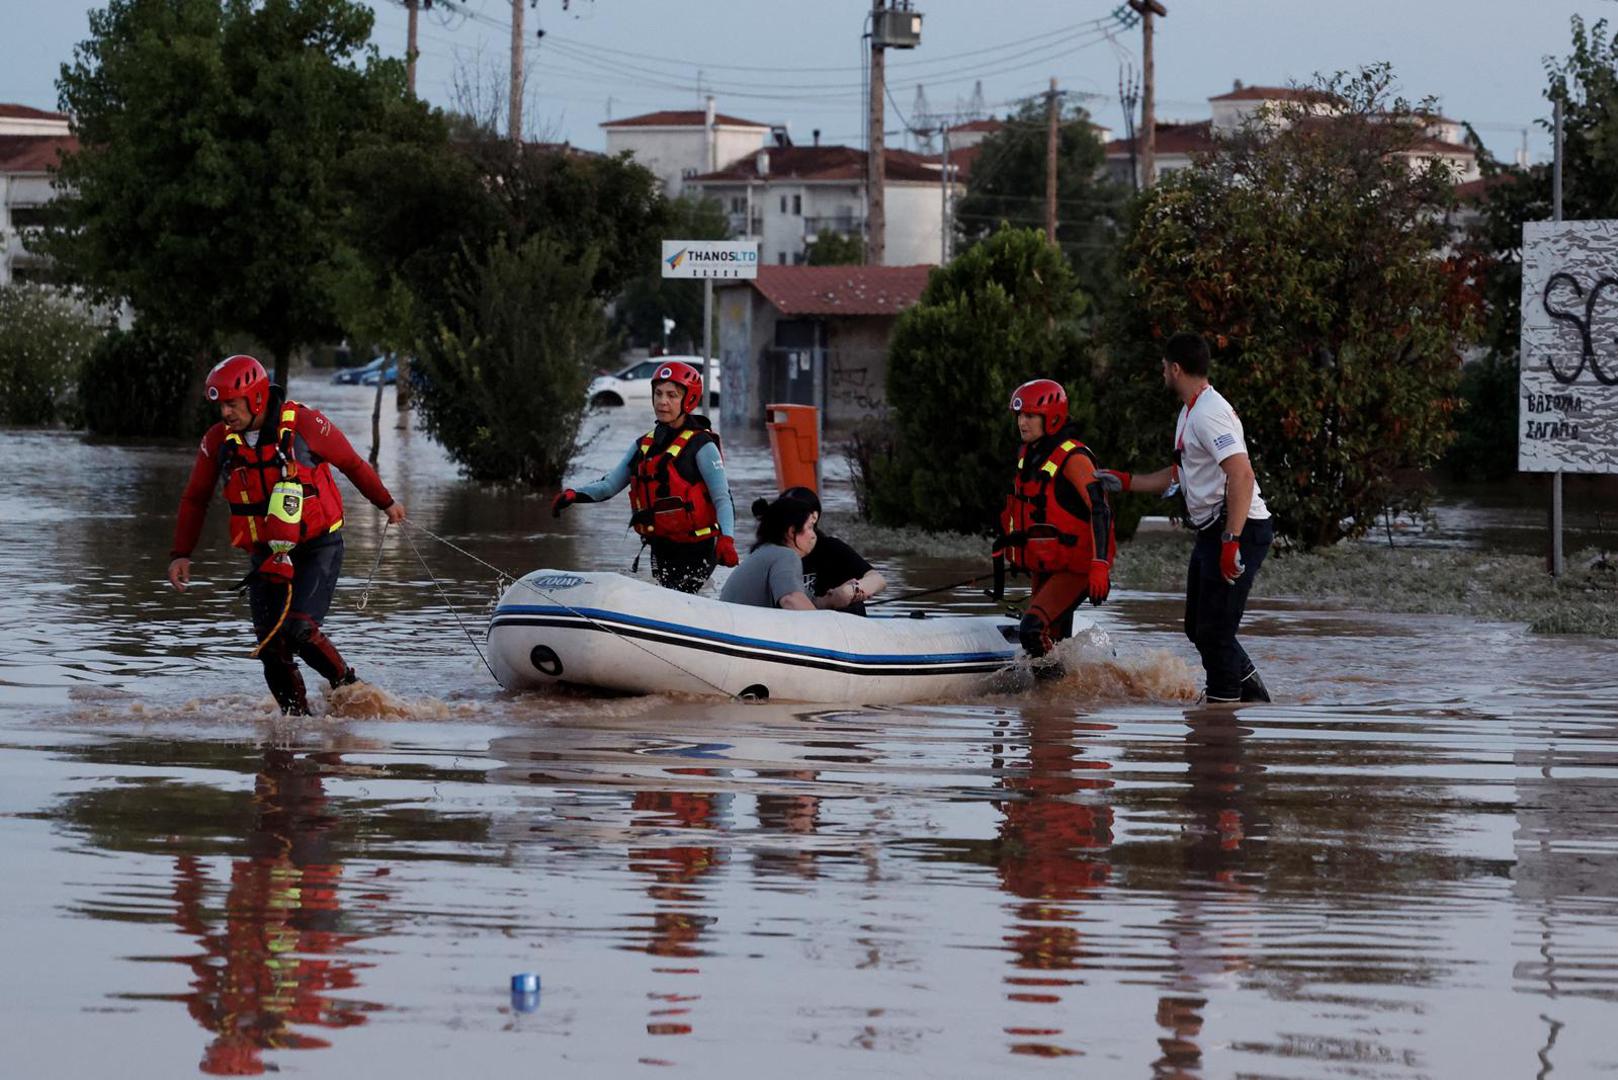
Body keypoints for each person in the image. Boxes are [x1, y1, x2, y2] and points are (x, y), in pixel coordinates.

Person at [168, 355, 407, 715]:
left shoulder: (306, 426)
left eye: (232, 403)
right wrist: (181, 553)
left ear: (258, 398)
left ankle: (352, 691)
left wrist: (386, 503)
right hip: (267, 553)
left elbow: (352, 464)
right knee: (270, 649)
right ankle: (297, 726)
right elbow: (194, 498)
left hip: (317, 546)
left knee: (300, 630)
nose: (225, 413)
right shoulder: (218, 442)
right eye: (221, 405)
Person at [1097, 332, 1274, 703]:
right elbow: (1179, 474)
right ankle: (1251, 693)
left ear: (1176, 369)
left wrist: (1231, 541)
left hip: (1239, 529)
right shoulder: (1189, 411)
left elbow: (1242, 474)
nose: (1162, 372)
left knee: (1215, 633)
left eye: (1164, 367)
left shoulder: (1209, 414)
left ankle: (1220, 718)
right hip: (1214, 531)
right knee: (1197, 627)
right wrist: (1126, 482)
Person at [552, 360, 737, 592]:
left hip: (698, 548)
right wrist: (573, 495)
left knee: (685, 596)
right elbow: (609, 485)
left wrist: (726, 539)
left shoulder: (702, 445)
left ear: (688, 399)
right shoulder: (644, 445)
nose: (662, 401)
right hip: (662, 547)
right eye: (658, 393)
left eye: (672, 395)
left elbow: (723, 498)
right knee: (667, 594)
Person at [995, 378, 1116, 665]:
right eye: (1020, 416)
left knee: (1032, 630)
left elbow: (1100, 509)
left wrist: (1100, 565)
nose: (1022, 423)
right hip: (1049, 565)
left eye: (1030, 416)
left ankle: (1056, 693)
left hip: (1077, 567)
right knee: (1052, 640)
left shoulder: (1073, 458)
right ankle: (1056, 705)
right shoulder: (1031, 456)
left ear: (1051, 418)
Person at [756, 487, 886, 614]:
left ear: (813, 517)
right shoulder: (775, 554)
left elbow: (878, 580)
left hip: (841, 623)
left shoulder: (830, 547)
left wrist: (851, 591)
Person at [719, 495, 829, 610]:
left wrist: (834, 597)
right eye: (810, 527)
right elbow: (791, 600)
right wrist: (827, 626)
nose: (813, 536)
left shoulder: (764, 552)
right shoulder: (785, 556)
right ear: (792, 532)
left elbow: (808, 602)